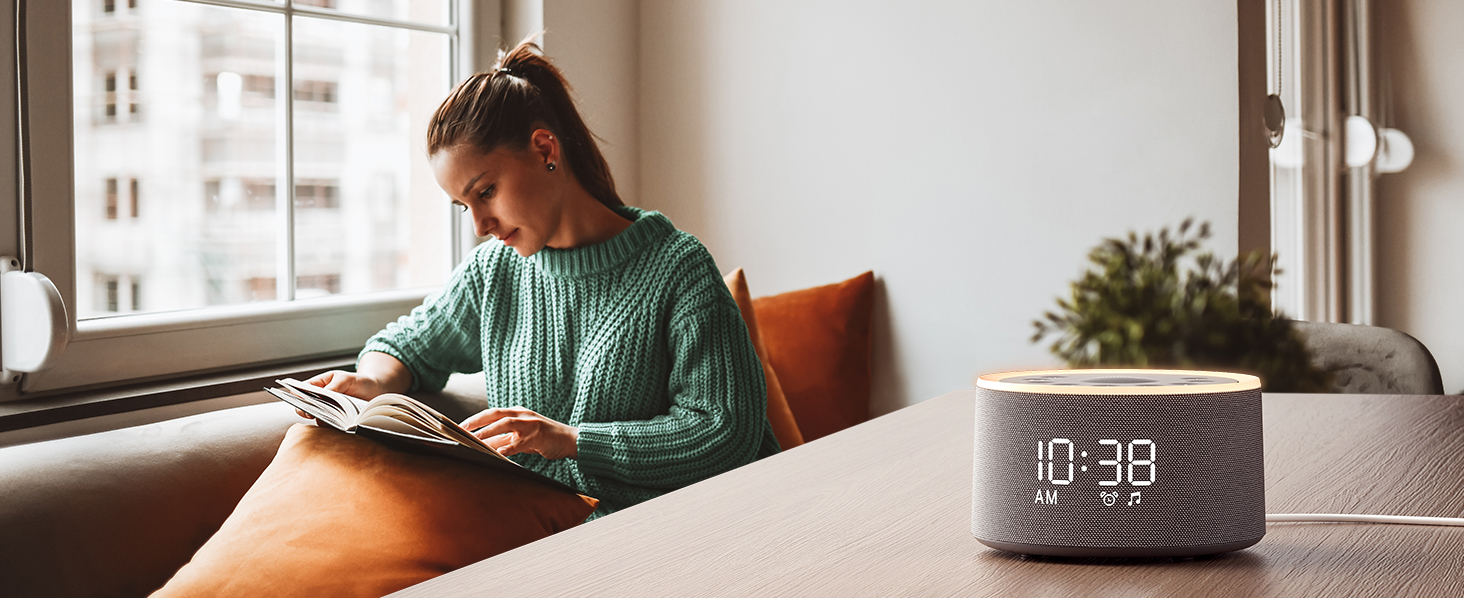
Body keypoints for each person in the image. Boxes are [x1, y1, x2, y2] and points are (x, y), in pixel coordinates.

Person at [303, 37, 779, 520]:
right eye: (464, 206)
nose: (480, 225)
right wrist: (371, 380)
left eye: (486, 192)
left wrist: (571, 440)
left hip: (692, 529)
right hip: (550, 536)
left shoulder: (677, 268)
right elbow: (406, 345)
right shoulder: (494, 271)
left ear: (544, 149)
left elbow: (725, 432)